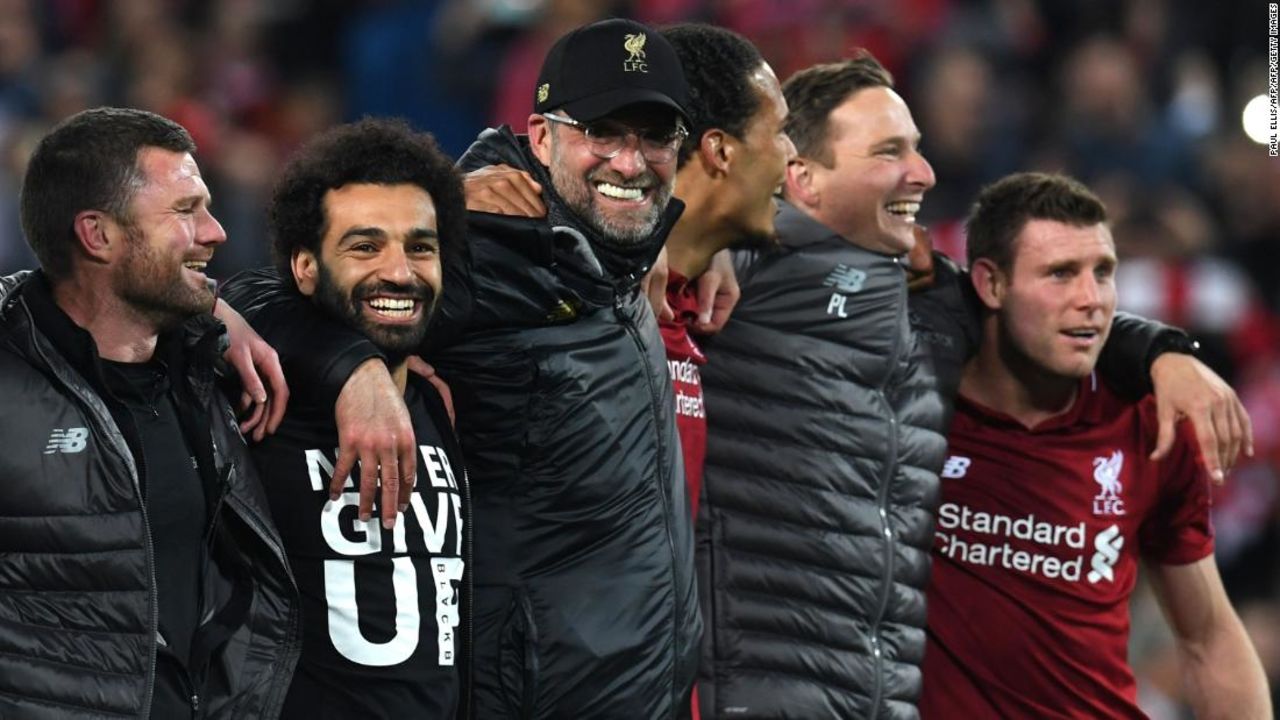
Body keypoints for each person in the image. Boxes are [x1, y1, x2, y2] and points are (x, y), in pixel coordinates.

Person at [694, 53, 1252, 719]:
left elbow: (1041, 306)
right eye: (889, 151)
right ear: (802, 176)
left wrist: (1165, 351)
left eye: (919, 150)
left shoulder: (942, 306)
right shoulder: (722, 279)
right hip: (750, 685)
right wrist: (699, 242)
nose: (922, 173)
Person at [223, 18, 699, 718]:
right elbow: (263, 296)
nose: (630, 162)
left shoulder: (614, 255)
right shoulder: (485, 243)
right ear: (542, 138)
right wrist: (352, 369)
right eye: (603, 134)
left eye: (653, 138)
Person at [920, 172, 1271, 718]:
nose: (1092, 300)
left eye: (1103, 273)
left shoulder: (1148, 426)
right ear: (990, 284)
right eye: (1060, 274)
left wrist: (1165, 352)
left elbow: (1207, 637)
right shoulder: (914, 407)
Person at [0, 107, 298, 718]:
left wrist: (360, 370)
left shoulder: (209, 370)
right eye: (185, 211)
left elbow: (321, 307)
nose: (216, 232)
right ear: (98, 235)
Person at [221, 120, 471, 719]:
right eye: (365, 246)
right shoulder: (257, 393)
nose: (401, 272)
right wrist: (353, 371)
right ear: (305, 268)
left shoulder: (439, 401)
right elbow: (234, 294)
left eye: (420, 246)